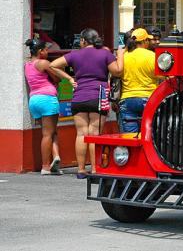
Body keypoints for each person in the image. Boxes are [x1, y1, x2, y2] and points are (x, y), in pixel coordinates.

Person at [50, 28, 124, 179]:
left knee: (81, 134)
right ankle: (96, 170)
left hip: (78, 98)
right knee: (95, 134)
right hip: (98, 96)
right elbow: (118, 71)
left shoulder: (75, 54)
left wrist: (70, 79)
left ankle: (81, 170)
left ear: (83, 40)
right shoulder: (104, 53)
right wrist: (121, 56)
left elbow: (53, 65)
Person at [24, 38, 69, 175]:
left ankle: (55, 158)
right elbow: (57, 78)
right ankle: (45, 166)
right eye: (45, 49)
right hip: (48, 99)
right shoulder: (44, 63)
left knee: (51, 131)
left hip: (34, 100)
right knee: (48, 134)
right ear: (39, 51)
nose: (48, 51)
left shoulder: (27, 65)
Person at [118, 28, 162, 133]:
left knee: (130, 137)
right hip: (148, 98)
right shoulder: (152, 56)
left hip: (127, 99)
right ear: (144, 41)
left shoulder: (124, 56)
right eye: (148, 40)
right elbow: (164, 76)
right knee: (149, 136)